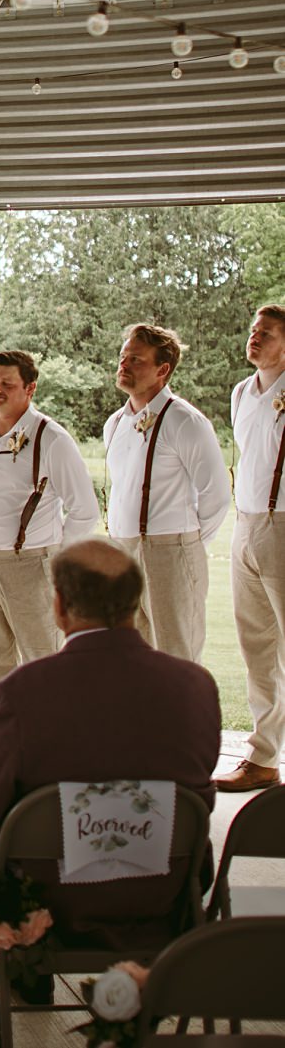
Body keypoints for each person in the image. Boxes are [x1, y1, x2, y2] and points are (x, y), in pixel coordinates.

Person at [0, 537, 221, 1048]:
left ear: (58, 607)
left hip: (46, 896)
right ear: (136, 604)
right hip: (159, 890)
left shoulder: (22, 691)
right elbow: (198, 802)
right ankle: (29, 980)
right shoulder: (196, 687)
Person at [0, 350, 98, 686]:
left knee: (44, 666)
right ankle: (9, 736)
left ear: (30, 389)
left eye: (7, 383)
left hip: (32, 567)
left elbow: (84, 509)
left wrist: (55, 562)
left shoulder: (51, 439)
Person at [103, 323, 231, 661]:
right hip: (124, 553)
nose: (124, 365)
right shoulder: (114, 423)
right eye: (123, 357)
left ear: (163, 370)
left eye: (136, 360)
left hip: (172, 552)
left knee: (176, 657)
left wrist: (185, 546)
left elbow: (216, 494)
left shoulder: (185, 421)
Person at [217, 302, 285, 793]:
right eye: (253, 330)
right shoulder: (242, 393)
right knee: (256, 645)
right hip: (247, 525)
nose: (254, 337)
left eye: (266, 332)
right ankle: (263, 756)